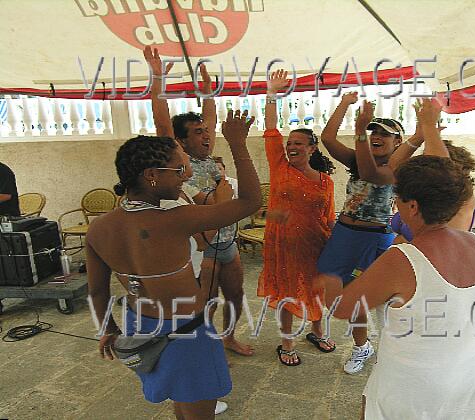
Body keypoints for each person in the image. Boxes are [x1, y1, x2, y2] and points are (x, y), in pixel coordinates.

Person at [86, 110, 260, 419]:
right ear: (152, 175)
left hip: (139, 326)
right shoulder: (175, 219)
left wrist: (108, 330)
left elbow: (98, 292)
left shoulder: (99, 228)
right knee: (198, 410)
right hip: (186, 332)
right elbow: (250, 202)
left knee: (182, 401)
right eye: (180, 170)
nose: (187, 176)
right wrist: (238, 144)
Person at [315, 151, 475, 419]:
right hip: (466, 375)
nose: (394, 205)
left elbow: (344, 308)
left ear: (413, 206)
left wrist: (329, 281)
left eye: (396, 198)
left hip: (412, 381)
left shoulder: (402, 259)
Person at [143, 46, 253, 358]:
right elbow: (163, 123)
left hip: (226, 240)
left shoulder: (208, 154)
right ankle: (206, 351)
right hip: (200, 245)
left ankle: (229, 338)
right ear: (181, 141)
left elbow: (212, 118)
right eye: (198, 132)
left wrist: (207, 92)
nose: (206, 135)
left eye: (207, 131)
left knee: (234, 293)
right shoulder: (179, 160)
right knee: (204, 301)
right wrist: (157, 78)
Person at [315, 92, 402, 374]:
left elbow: (374, 174)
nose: (376, 135)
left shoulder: (399, 168)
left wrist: (359, 134)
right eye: (372, 130)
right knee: (349, 294)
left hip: (378, 238)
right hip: (346, 234)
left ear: (398, 142)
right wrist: (344, 104)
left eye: (385, 134)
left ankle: (393, 350)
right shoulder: (358, 159)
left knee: (385, 298)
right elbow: (327, 139)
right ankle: (362, 346)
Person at [256, 70, 337, 366]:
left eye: (299, 143)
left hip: (316, 244)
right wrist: (272, 94)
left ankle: (317, 332)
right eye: (290, 142)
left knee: (316, 289)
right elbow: (270, 129)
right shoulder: (280, 167)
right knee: (287, 293)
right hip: (283, 245)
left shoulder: (326, 181)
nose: (291, 146)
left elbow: (328, 217)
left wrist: (342, 244)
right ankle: (286, 343)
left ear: (312, 148)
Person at [388, 105, 475, 240]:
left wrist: (429, 125)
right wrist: (418, 136)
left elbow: (443, 167)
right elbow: (394, 164)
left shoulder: (462, 198)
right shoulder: (424, 191)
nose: (425, 166)